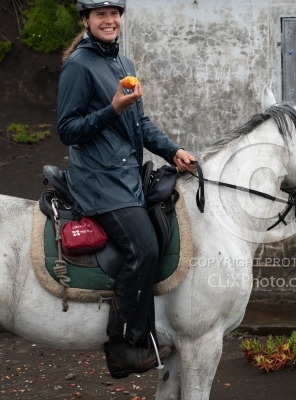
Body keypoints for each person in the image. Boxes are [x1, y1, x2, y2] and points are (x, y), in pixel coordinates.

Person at [57, 0, 195, 379]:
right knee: (144, 247)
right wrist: (113, 109)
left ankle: (147, 338)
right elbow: (67, 129)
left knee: (155, 237)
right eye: (100, 14)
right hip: (98, 179)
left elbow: (141, 124)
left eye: (114, 13)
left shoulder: (124, 64)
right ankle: (120, 347)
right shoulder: (79, 66)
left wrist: (173, 149)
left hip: (126, 178)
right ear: (86, 20)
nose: (109, 20)